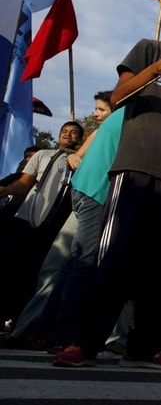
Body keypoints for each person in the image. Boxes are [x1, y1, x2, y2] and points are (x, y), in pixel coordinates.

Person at [53, 2, 161, 370]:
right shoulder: (149, 49)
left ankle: (145, 345)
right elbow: (117, 98)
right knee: (114, 257)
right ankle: (85, 342)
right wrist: (154, 71)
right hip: (135, 170)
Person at [11, 93, 117, 349]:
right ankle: (30, 329)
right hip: (84, 198)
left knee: (75, 266)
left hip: (98, 201)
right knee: (62, 267)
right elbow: (76, 156)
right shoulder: (100, 132)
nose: (96, 114)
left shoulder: (120, 130)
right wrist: (74, 158)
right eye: (96, 109)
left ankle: (48, 329)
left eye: (101, 110)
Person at [0, 121, 84, 330]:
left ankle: (23, 323)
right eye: (64, 131)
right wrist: (7, 189)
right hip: (26, 219)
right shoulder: (42, 155)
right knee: (10, 269)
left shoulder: (82, 161)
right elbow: (25, 183)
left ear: (81, 138)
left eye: (73, 132)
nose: (68, 135)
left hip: (54, 226)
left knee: (37, 275)